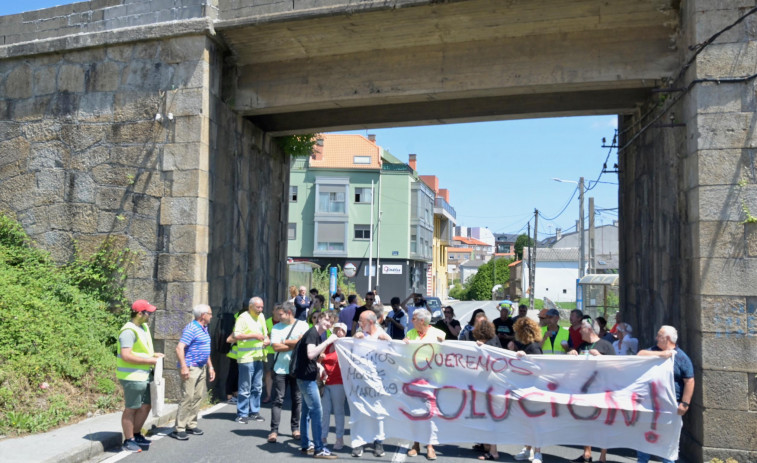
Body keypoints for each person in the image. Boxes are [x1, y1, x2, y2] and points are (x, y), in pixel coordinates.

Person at [635, 325, 694, 463]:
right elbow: (640, 355)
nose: (656, 338)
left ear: (667, 338)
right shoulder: (654, 351)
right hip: (650, 405)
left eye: (659, 335)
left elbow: (689, 381)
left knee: (667, 443)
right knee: (644, 440)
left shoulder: (681, 357)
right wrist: (661, 355)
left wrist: (685, 403)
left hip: (671, 407)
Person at [117, 300, 164, 453]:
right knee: (131, 408)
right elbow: (126, 355)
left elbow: (140, 350)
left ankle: (136, 434)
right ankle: (128, 440)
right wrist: (150, 360)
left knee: (146, 406)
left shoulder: (143, 327)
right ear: (139, 313)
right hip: (132, 377)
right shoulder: (128, 331)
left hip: (144, 375)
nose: (150, 315)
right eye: (148, 312)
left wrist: (153, 355)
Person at [292, 311, 338, 459]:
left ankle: (306, 445)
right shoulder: (313, 334)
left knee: (306, 413)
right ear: (318, 319)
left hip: (305, 377)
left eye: (330, 322)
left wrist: (320, 367)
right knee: (317, 412)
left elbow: (310, 359)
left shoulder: (315, 334)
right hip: (306, 379)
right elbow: (311, 354)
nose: (328, 323)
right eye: (326, 320)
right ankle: (319, 448)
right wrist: (328, 341)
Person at [567, 320, 615, 463]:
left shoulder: (606, 346)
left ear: (589, 330)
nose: (580, 331)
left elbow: (616, 367)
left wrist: (601, 358)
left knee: (602, 424)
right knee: (586, 422)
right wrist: (572, 353)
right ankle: (586, 454)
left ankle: (602, 456)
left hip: (601, 391)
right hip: (585, 391)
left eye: (582, 329)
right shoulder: (582, 346)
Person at [403, 308, 445, 459]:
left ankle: (430, 446)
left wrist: (442, 343)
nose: (411, 321)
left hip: (432, 381)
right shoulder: (410, 334)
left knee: (430, 414)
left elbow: (447, 348)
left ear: (422, 321)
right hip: (414, 379)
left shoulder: (438, 334)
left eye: (413, 318)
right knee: (415, 412)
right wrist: (403, 345)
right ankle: (416, 444)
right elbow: (404, 352)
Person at [171, 304, 215, 441]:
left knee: (197, 396)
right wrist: (184, 367)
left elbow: (204, 349)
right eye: (210, 313)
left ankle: (191, 424)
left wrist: (211, 367)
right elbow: (179, 348)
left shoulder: (204, 328)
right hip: (191, 367)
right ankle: (179, 428)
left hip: (201, 367)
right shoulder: (192, 328)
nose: (211, 316)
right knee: (187, 397)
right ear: (203, 315)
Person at [351, 312, 392, 457]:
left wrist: (387, 339)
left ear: (370, 322)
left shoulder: (381, 335)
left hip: (377, 381)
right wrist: (354, 339)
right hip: (359, 381)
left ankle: (378, 442)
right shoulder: (359, 334)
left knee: (378, 411)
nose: (359, 324)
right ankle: (358, 442)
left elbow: (394, 352)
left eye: (361, 321)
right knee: (358, 410)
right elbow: (349, 351)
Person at [268, 302, 308, 443]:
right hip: (280, 368)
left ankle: (295, 429)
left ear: (289, 313)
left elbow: (304, 344)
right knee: (278, 399)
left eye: (281, 314)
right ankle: (274, 431)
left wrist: (286, 341)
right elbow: (276, 347)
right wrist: (294, 343)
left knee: (297, 399)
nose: (278, 317)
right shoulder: (276, 327)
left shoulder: (303, 325)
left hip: (297, 368)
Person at [508, 317, 544, 463]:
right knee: (526, 422)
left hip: (534, 390)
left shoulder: (534, 348)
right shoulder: (525, 346)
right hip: (525, 389)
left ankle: (538, 453)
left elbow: (539, 368)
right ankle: (527, 449)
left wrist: (525, 358)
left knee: (535, 423)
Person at [230, 297, 270, 424]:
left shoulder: (262, 316)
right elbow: (236, 335)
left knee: (257, 386)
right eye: (258, 307)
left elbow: (265, 333)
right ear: (250, 306)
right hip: (246, 357)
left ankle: (254, 411)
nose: (260, 309)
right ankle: (242, 413)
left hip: (259, 355)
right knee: (245, 387)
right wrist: (254, 335)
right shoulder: (243, 318)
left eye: (262, 307)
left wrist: (267, 339)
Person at [320, 322, 348, 450]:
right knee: (325, 411)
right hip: (325, 382)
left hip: (339, 382)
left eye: (341, 330)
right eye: (336, 329)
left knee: (338, 411)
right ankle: (323, 436)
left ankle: (339, 438)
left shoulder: (347, 346)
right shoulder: (327, 344)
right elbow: (318, 360)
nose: (338, 332)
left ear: (345, 333)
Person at [263, 305, 282, 404]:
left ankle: (279, 396)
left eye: (280, 310)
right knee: (269, 372)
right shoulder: (267, 322)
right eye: (277, 310)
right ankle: (269, 395)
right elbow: (263, 336)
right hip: (270, 351)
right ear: (273, 311)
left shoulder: (284, 322)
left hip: (281, 350)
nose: (279, 312)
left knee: (280, 373)